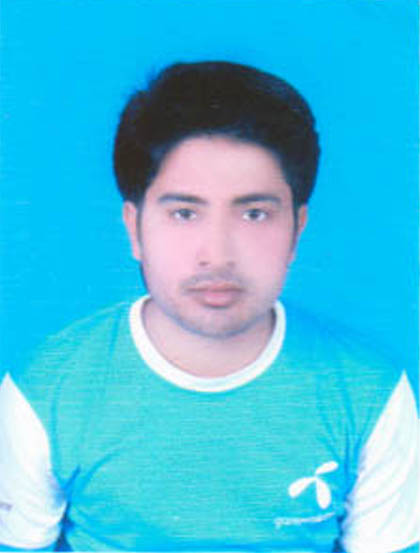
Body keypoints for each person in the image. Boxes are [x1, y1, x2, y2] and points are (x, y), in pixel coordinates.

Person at [0, 61, 418, 552]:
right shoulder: (47, 389)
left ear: (296, 229)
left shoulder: (368, 393)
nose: (217, 255)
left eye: (254, 213)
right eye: (184, 213)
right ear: (134, 228)